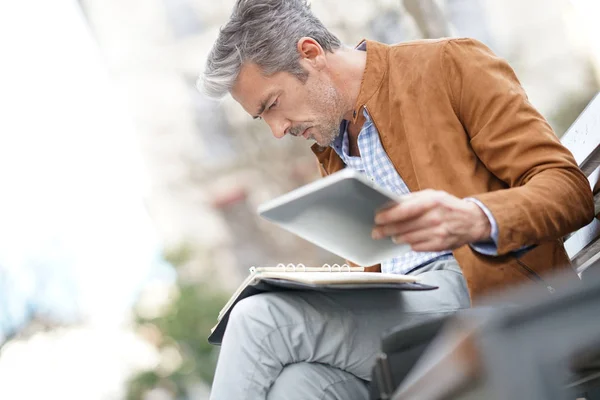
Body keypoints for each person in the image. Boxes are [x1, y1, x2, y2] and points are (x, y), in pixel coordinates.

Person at [199, 0, 595, 398]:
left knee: (259, 319)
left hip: (491, 301)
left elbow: (568, 188)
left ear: (310, 53)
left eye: (272, 105)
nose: (276, 130)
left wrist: (477, 218)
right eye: (261, 117)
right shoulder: (331, 144)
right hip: (408, 327)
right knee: (296, 384)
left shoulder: (448, 65)